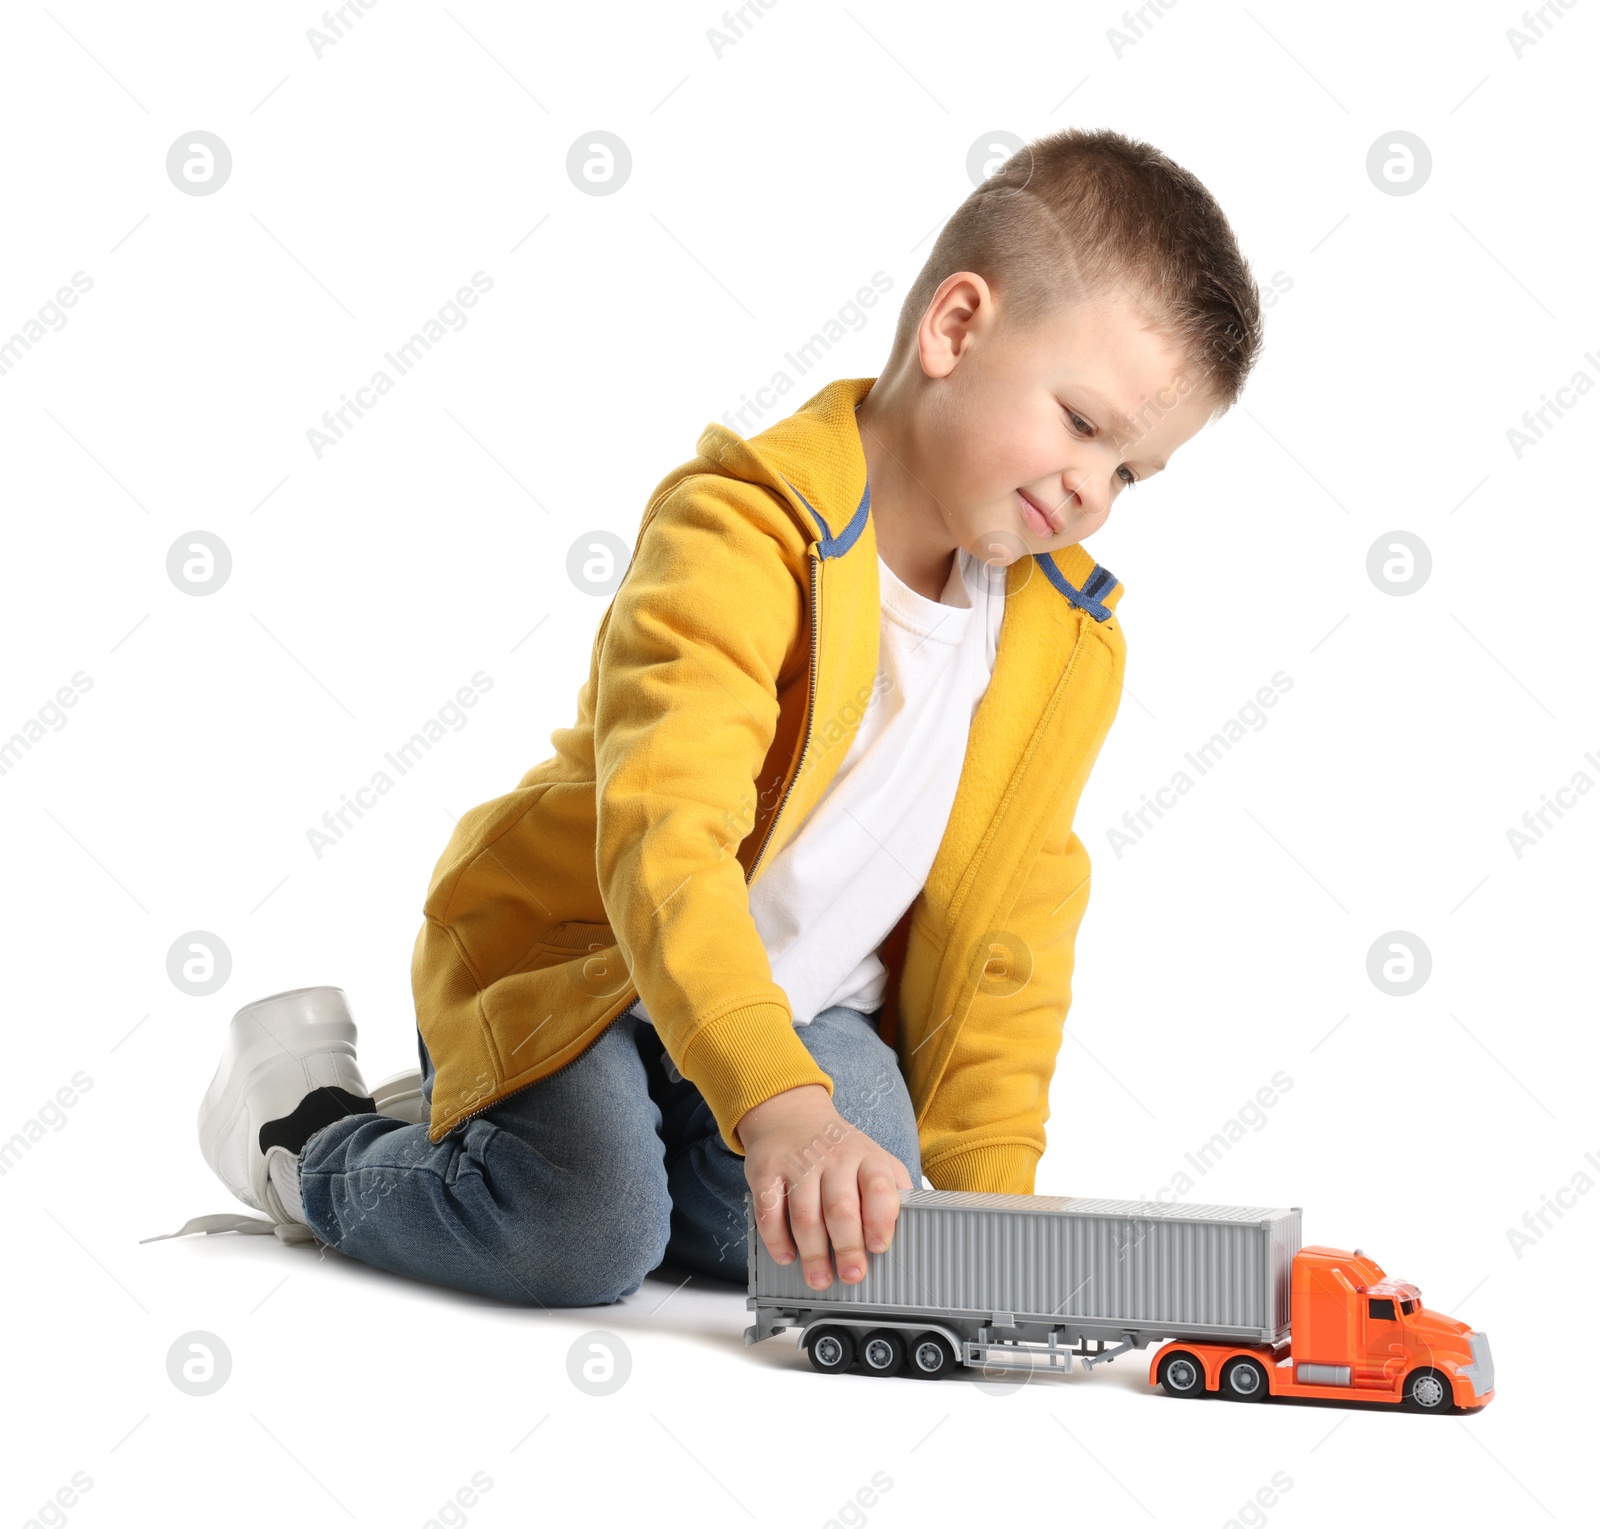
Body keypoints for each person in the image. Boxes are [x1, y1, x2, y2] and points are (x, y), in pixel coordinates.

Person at [168, 127, 1262, 1309]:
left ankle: (520, 1129)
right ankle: (315, 1134)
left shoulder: (1062, 643)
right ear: (954, 327)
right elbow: (665, 835)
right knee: (586, 1233)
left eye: (1132, 474)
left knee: (852, 1235)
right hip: (589, 965)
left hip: (799, 1015)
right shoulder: (738, 532)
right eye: (1085, 425)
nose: (1093, 490)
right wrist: (782, 1106)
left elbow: (1016, 932)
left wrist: (997, 1209)